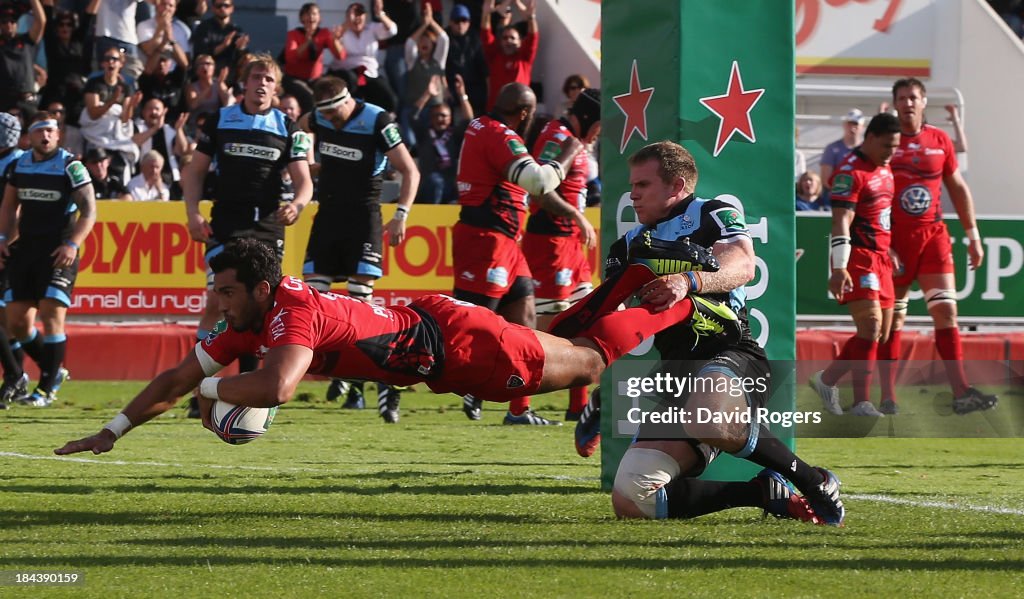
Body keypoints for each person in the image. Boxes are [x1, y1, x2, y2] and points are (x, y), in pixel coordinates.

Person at [54, 237, 741, 454]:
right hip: (439, 335)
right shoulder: (256, 314)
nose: (216, 301)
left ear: (260, 288)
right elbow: (179, 373)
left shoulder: (292, 311)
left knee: (587, 358)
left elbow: (276, 389)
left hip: (461, 349)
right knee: (568, 345)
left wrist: (209, 395)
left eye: (226, 290)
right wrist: (111, 430)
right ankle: (632, 275)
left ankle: (671, 297)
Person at [593, 141, 844, 526]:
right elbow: (610, 316)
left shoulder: (712, 213)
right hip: (676, 371)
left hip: (731, 353)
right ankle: (762, 492)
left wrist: (688, 280)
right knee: (632, 497)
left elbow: (743, 266)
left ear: (676, 185)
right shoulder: (627, 245)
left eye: (643, 184)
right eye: (632, 185)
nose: (633, 194)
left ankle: (814, 482)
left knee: (708, 418)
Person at [181, 53, 314, 418]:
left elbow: (304, 182)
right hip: (225, 225)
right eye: (256, 77)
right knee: (217, 303)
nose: (262, 84)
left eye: (269, 79)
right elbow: (193, 173)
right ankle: (199, 390)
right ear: (244, 82)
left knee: (262, 308)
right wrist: (192, 212)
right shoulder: (221, 120)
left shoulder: (289, 128)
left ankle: (247, 393)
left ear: (276, 87)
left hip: (268, 229)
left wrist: (299, 205)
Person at [453, 82, 591, 425]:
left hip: (506, 242)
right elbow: (541, 184)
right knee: (471, 325)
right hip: (485, 237)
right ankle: (429, 381)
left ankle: (519, 409)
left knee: (525, 322)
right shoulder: (500, 135)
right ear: (525, 112)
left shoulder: (481, 126)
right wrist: (569, 153)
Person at [296, 76, 419, 422]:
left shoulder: (378, 120)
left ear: (345, 102)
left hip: (363, 218)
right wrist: (306, 160)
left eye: (334, 115)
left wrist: (401, 215)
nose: (329, 122)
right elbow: (301, 126)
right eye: (325, 116)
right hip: (328, 215)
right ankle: (347, 379)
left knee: (358, 309)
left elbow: (410, 171)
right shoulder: (319, 117)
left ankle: (371, 384)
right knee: (314, 304)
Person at [880, 78, 997, 416]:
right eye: (901, 98)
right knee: (893, 320)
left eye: (913, 97)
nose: (907, 103)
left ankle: (961, 392)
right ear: (895, 103)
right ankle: (889, 398)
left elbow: (958, 188)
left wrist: (973, 235)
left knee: (946, 311)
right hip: (896, 241)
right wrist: (880, 242)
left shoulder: (939, 140)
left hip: (933, 237)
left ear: (923, 101)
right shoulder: (884, 143)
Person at [0, 112, 96, 407]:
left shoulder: (71, 165)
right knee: (16, 321)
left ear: (58, 135)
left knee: (52, 315)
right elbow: (9, 206)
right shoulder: (20, 165)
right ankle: (53, 371)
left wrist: (72, 244)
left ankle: (44, 391)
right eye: (40, 131)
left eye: (50, 131)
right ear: (29, 137)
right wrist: (3, 239)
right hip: (26, 250)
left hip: (58, 252)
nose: (45, 137)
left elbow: (89, 210)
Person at [808, 113, 901, 417]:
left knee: (881, 334)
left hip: (883, 257)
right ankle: (862, 402)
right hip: (859, 256)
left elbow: (883, 215)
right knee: (871, 326)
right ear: (870, 137)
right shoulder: (849, 171)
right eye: (887, 145)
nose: (891, 151)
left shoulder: (886, 169)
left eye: (896, 146)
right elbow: (840, 221)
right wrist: (839, 267)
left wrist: (893, 248)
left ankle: (826, 380)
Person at [522, 87, 600, 421]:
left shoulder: (578, 142)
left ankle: (578, 407)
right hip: (550, 242)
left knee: (589, 321)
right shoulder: (557, 136)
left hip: (571, 247)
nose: (599, 132)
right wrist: (576, 216)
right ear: (586, 118)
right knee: (544, 331)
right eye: (598, 124)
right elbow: (540, 188)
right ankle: (518, 407)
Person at [80, 46, 141, 187]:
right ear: (102, 64)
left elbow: (125, 118)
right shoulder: (94, 84)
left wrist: (132, 105)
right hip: (96, 138)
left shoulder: (126, 87)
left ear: (121, 64)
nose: (111, 62)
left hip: (116, 141)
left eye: (115, 59)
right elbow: (93, 114)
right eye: (107, 59)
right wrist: (112, 101)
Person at [329, 0, 399, 113]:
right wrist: (348, 23)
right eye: (353, 14)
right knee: (351, 84)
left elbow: (392, 30)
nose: (356, 17)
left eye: (360, 13)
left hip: (368, 73)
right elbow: (338, 52)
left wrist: (380, 14)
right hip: (346, 73)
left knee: (390, 98)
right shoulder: (341, 30)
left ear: (365, 16)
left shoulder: (371, 28)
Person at [0, 112, 26, 408]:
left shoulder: (17, 163)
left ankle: (17, 375)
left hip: (10, 249)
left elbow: (16, 211)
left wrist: (5, 242)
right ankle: (16, 376)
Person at [414, 75, 472, 204]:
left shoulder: (454, 135)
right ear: (430, 118)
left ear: (450, 118)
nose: (440, 119)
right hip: (428, 186)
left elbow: (469, 121)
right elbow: (413, 115)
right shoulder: (424, 134)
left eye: (443, 116)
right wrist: (427, 94)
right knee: (436, 181)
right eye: (436, 116)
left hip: (450, 185)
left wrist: (462, 95)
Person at [400, 2, 449, 150]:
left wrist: (431, 21)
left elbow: (444, 39)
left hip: (434, 108)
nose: (424, 42)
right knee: (412, 142)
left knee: (432, 142)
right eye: (421, 40)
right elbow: (409, 43)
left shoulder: (438, 61)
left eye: (427, 40)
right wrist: (423, 26)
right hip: (414, 108)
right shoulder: (412, 61)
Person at [281, 2, 346, 114]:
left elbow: (340, 56)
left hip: (315, 79)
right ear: (302, 18)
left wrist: (335, 40)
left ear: (319, 17)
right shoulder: (294, 34)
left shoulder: (324, 33)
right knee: (309, 96)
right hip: (294, 78)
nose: (311, 17)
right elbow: (291, 58)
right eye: (308, 14)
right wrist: (307, 42)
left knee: (331, 92)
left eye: (314, 14)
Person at [481, 0, 537, 111]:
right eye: (505, 38)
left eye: (512, 38)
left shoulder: (524, 58)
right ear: (500, 42)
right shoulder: (494, 56)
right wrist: (486, 14)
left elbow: (533, 36)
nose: (508, 41)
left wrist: (531, 18)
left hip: (519, 114)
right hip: (496, 112)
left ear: (520, 42)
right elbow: (485, 33)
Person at [131, 96, 189, 199]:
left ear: (164, 112)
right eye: (150, 109)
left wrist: (179, 130)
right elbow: (135, 141)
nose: (153, 112)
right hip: (143, 176)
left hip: (169, 177)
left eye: (157, 109)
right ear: (143, 112)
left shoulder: (170, 129)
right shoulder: (137, 126)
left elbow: (183, 150)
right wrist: (155, 128)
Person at [444, 3, 488, 118]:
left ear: (469, 23)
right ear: (450, 22)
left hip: (473, 88)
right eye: (457, 21)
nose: (460, 24)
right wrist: (446, 88)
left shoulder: (475, 39)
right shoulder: (444, 39)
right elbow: (439, 66)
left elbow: (483, 67)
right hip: (451, 88)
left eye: (464, 21)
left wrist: (489, 92)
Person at [0, 0, 45, 112]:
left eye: (12, 21)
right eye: (4, 22)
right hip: (4, 100)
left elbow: (41, 21)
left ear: (17, 24)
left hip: (27, 99)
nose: (9, 25)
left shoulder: (27, 41)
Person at [191, 0, 248, 74]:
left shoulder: (236, 30)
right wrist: (224, 45)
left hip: (230, 73)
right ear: (213, 8)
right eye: (218, 6)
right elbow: (201, 54)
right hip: (207, 75)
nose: (222, 8)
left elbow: (240, 57)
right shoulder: (204, 27)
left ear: (232, 8)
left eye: (226, 5)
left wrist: (241, 48)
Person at [819, 109, 865, 199]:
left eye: (855, 124)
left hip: (861, 196)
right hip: (836, 197)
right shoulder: (831, 149)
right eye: (849, 123)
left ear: (862, 127)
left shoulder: (867, 150)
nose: (852, 127)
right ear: (844, 125)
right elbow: (826, 180)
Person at [137, 0, 191, 68]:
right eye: (163, 4)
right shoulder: (144, 25)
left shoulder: (180, 30)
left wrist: (170, 38)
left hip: (173, 74)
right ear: (157, 6)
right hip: (151, 72)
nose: (167, 8)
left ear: (175, 9)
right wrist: (160, 29)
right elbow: (148, 51)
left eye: (170, 6)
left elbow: (184, 63)